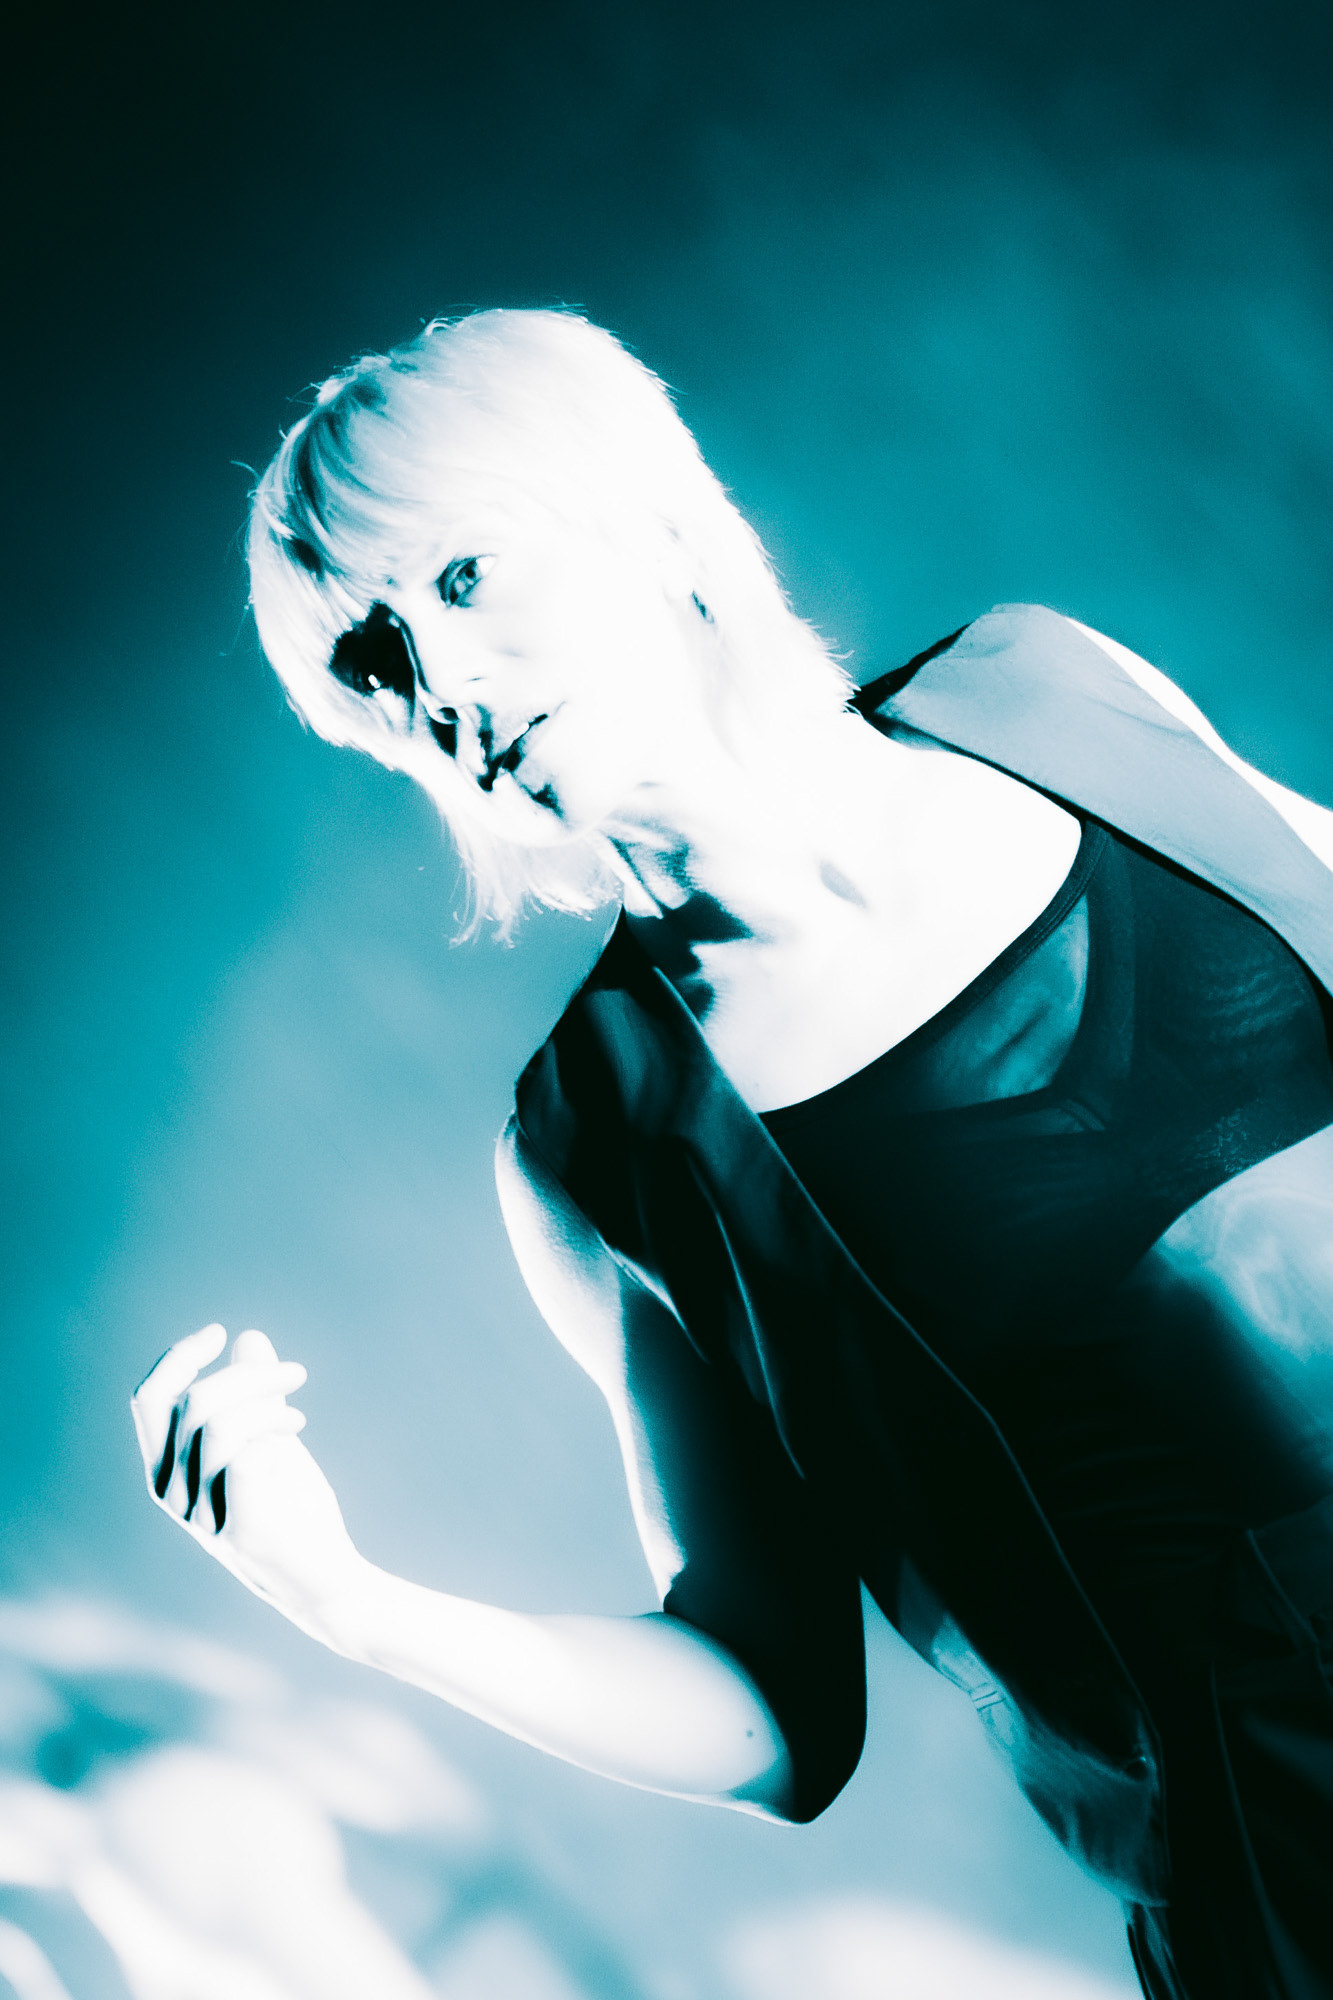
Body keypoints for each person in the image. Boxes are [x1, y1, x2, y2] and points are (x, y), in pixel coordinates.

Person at [132, 309, 1333, 2000]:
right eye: (376, 664)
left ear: (633, 501)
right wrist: (352, 1603)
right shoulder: (612, 1137)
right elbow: (775, 1708)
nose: (442, 688)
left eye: (463, 579)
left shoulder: (1047, 687)